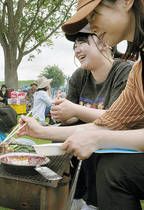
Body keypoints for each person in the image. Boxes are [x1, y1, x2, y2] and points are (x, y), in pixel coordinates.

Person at [18, 0, 144, 209]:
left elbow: (102, 131)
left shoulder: (126, 69)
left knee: (113, 166)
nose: (92, 27)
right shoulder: (138, 72)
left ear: (125, 2)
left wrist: (97, 137)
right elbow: (110, 122)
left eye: (94, 14)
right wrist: (40, 132)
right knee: (113, 167)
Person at [52, 25, 134, 210]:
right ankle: (75, 196)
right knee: (58, 136)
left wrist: (74, 109)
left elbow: (116, 117)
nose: (77, 49)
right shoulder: (79, 75)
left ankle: (93, 203)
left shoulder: (124, 70)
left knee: (89, 139)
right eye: (75, 45)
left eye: (82, 42)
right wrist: (63, 114)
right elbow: (72, 117)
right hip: (93, 128)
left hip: (121, 134)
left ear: (104, 43)